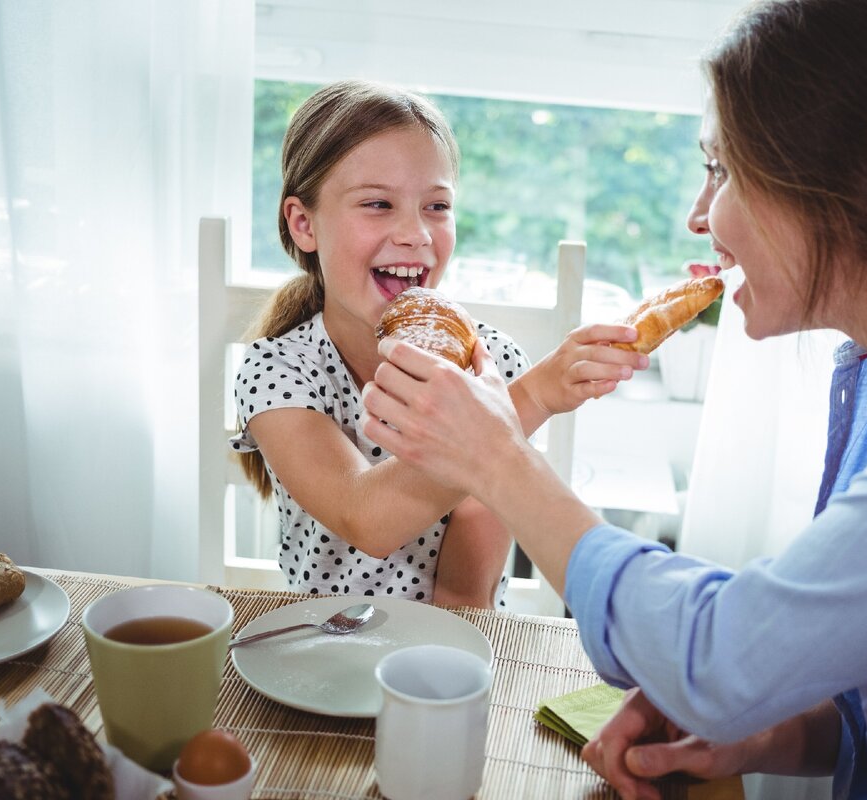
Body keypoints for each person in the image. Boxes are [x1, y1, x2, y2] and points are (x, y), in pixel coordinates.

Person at [359, 0, 867, 797]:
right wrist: (783, 736)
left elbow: (721, 659)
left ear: (836, 184)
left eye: (721, 170)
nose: (697, 216)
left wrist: (498, 457)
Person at [230, 80, 645, 608]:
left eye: (437, 206)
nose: (417, 234)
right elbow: (366, 518)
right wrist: (533, 398)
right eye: (378, 204)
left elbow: (465, 592)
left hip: (453, 649)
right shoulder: (279, 368)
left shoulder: (489, 365)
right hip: (321, 644)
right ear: (304, 223)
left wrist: (430, 679)